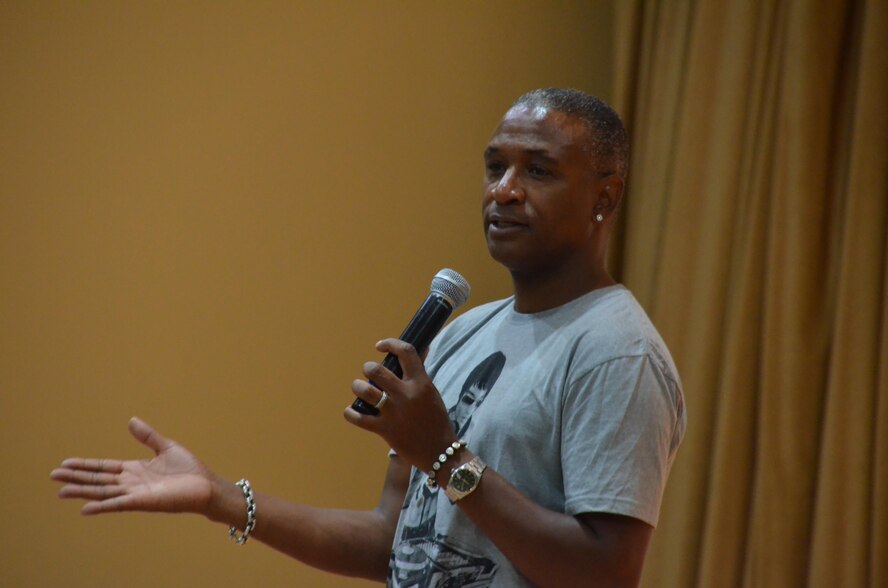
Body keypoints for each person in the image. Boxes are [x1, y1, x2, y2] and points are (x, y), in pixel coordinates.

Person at [51, 88, 685, 587]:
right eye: (495, 166)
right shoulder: (463, 331)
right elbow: (391, 543)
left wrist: (443, 456)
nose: (503, 190)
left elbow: (607, 573)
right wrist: (222, 499)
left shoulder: (614, 351)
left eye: (538, 170)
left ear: (605, 198)